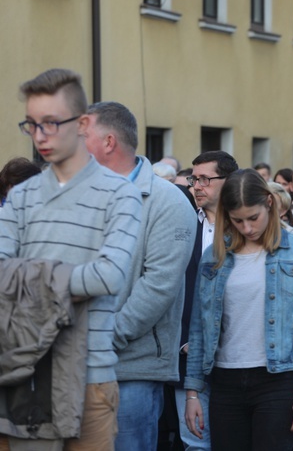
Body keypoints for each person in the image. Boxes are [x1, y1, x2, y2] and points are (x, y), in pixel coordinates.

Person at [0, 68, 142, 449]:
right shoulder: (21, 196)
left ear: (81, 124)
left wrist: (26, 281)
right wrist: (65, 284)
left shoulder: (120, 195)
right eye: (31, 125)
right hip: (22, 372)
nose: (40, 136)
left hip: (91, 376)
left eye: (51, 123)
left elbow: (109, 276)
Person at [84, 102, 197, 451]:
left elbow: (158, 286)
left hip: (129, 370)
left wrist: (103, 337)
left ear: (108, 142)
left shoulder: (167, 202)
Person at [185, 169, 293, 450]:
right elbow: (200, 327)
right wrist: (192, 392)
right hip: (224, 380)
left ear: (269, 205)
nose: (247, 228)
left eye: (253, 218)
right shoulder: (214, 256)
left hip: (279, 379)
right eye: (237, 220)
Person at [178, 150, 239, 449]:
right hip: (188, 356)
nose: (197, 186)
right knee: (196, 443)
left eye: (205, 179)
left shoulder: (247, 229)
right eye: (194, 179)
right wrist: (183, 339)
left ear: (228, 182)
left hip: (237, 358)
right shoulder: (184, 226)